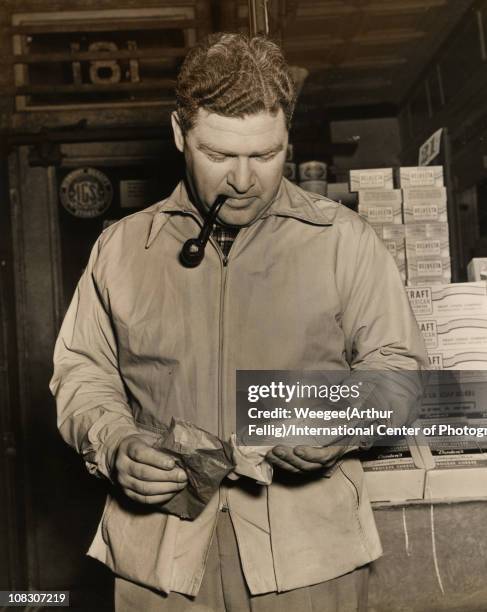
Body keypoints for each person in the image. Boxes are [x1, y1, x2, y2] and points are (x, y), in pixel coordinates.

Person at [50, 32, 428, 611]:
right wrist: (115, 442)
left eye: (265, 154)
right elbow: (82, 372)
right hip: (159, 559)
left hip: (311, 557)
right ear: (180, 134)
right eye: (219, 155)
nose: (244, 181)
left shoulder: (344, 241)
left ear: (287, 138)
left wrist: (341, 419)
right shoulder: (119, 249)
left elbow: (398, 373)